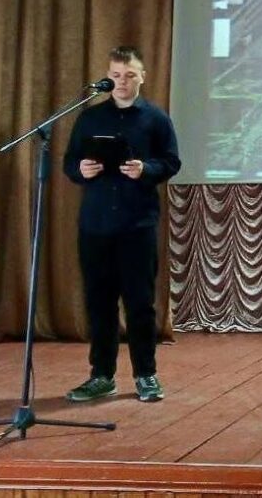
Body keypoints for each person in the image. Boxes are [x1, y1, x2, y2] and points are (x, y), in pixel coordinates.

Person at [63, 46, 181, 403]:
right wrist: (81, 170)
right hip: (95, 224)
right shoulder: (90, 118)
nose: (122, 82)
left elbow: (171, 162)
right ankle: (101, 376)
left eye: (129, 75)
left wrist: (146, 169)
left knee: (139, 304)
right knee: (99, 303)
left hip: (137, 224)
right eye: (115, 75)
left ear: (142, 76)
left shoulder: (156, 119)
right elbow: (70, 162)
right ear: (108, 77)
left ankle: (146, 375)